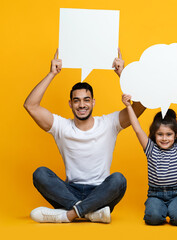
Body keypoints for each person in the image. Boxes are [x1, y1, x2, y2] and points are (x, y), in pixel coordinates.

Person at [24, 49, 146, 223]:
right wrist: (52, 73)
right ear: (70, 104)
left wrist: (123, 74)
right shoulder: (61, 126)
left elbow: (141, 106)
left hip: (101, 193)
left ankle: (69, 214)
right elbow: (31, 106)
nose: (82, 105)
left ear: (93, 102)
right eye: (77, 100)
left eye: (86, 100)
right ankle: (88, 212)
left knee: (118, 180)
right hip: (70, 191)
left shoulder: (109, 123)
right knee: (40, 174)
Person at [121, 92, 177, 226]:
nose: (164, 138)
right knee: (153, 219)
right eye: (160, 134)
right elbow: (137, 129)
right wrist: (129, 106)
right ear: (154, 134)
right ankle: (161, 209)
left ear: (175, 135)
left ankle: (175, 209)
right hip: (155, 194)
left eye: (169, 134)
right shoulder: (150, 149)